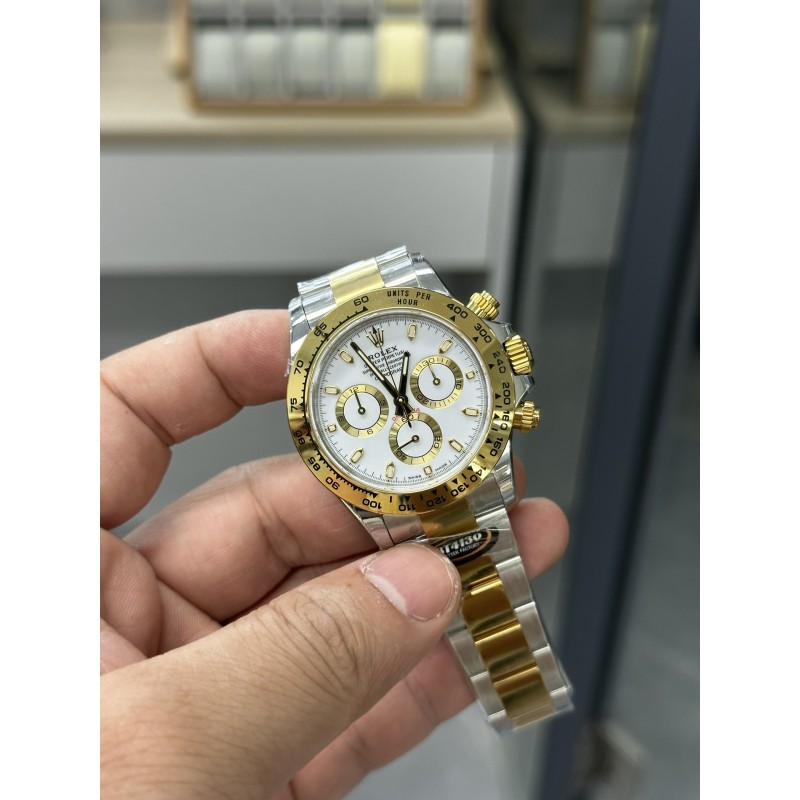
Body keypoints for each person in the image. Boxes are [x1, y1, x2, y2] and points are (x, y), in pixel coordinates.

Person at [100, 310, 569, 799]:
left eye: (429, 384)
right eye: (383, 403)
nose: (403, 404)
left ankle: (523, 690)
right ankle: (522, 692)